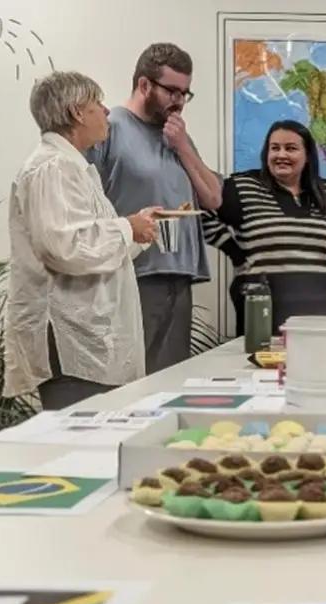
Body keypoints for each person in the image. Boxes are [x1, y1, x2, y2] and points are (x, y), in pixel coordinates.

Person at [3, 71, 161, 411]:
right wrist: (125, 228)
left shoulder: (75, 168)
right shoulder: (52, 168)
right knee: (79, 450)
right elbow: (66, 249)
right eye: (98, 104)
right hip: (71, 337)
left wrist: (139, 231)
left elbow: (94, 247)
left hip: (89, 335)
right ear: (77, 112)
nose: (107, 112)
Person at [86, 43, 220, 374]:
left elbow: (214, 199)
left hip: (180, 276)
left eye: (186, 93)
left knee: (168, 382)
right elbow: (84, 199)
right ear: (144, 85)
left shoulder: (175, 135)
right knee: (130, 381)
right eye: (172, 91)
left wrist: (184, 146)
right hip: (133, 276)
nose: (179, 101)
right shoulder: (111, 126)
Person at [203, 120, 326, 330]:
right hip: (261, 309)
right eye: (274, 148)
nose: (281, 155)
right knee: (260, 362)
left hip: (319, 307)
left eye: (291, 148)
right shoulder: (242, 187)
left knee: (316, 361)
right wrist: (235, 253)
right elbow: (202, 212)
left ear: (307, 156)